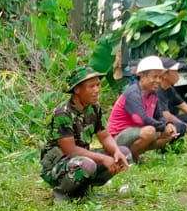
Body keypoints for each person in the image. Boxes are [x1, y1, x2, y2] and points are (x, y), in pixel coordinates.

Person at [39, 68, 131, 202]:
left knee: (124, 153)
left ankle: (84, 190)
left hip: (81, 159)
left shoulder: (94, 108)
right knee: (88, 164)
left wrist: (116, 152)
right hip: (58, 165)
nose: (97, 90)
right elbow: (70, 150)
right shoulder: (63, 113)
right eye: (91, 86)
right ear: (77, 90)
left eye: (98, 85)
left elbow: (104, 136)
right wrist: (102, 159)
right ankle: (61, 194)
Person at [106, 56, 178, 158]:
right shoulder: (133, 93)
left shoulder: (153, 93)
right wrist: (163, 126)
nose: (158, 80)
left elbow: (159, 115)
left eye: (160, 77)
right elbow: (141, 119)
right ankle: (130, 157)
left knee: (169, 134)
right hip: (117, 136)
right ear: (143, 76)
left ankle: (136, 154)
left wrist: (168, 124)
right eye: (154, 77)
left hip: (137, 132)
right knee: (150, 131)